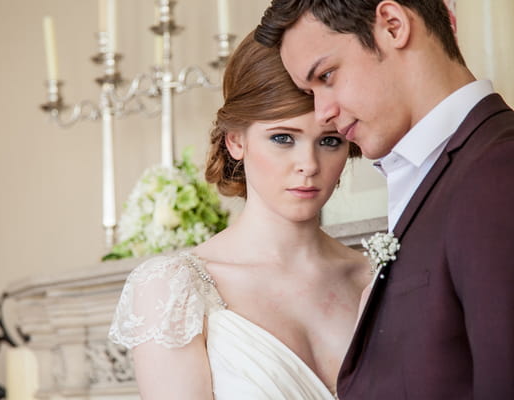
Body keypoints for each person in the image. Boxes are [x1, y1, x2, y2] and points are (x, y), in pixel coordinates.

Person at [255, 1, 514, 399]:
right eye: (311, 90)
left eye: (326, 75)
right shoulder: (438, 175)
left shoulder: (498, 170)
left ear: (393, 26)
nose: (322, 113)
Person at [109, 31, 370, 400]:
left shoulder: (374, 278)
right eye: (283, 138)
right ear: (236, 140)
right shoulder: (175, 290)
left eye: (329, 141)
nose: (309, 165)